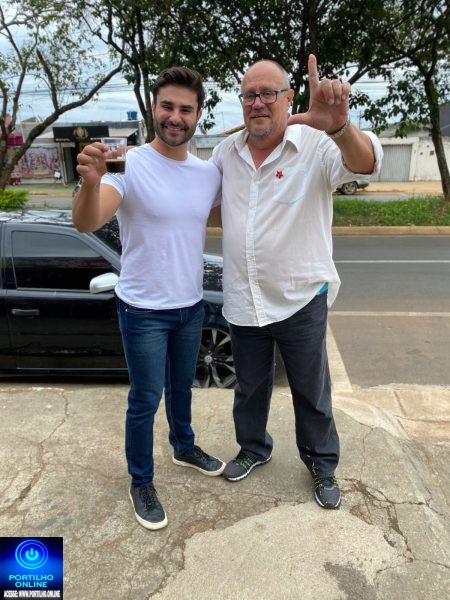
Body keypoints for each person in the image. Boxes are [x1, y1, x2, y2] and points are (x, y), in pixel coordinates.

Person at [212, 55, 383, 509]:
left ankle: (322, 463)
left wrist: (340, 127)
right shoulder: (225, 153)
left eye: (269, 93)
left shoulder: (316, 144)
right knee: (249, 387)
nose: (258, 102)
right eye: (250, 95)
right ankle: (253, 448)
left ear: (289, 98)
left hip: (300, 299)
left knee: (311, 390)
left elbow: (365, 164)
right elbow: (208, 205)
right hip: (245, 298)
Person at [73, 67, 224, 530]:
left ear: (198, 115)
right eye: (168, 106)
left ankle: (184, 446)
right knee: (144, 399)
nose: (175, 117)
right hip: (142, 310)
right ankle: (141, 480)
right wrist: (91, 182)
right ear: (153, 108)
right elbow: (87, 221)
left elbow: (239, 214)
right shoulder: (127, 163)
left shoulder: (207, 173)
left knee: (182, 388)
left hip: (190, 305)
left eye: (186, 109)